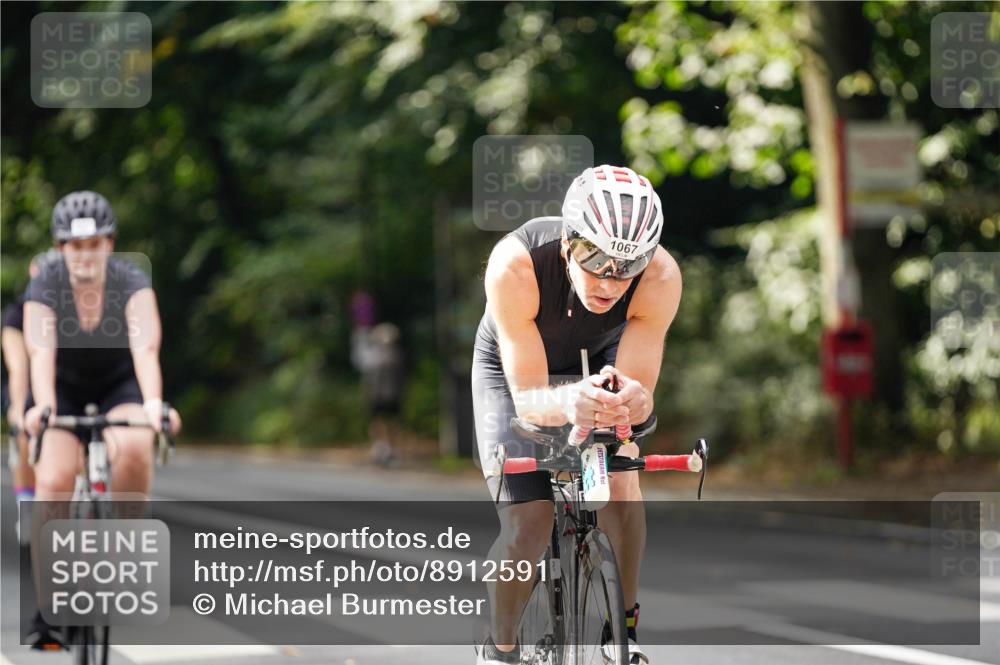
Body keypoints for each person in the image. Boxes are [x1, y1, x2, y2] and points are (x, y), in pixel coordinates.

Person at [472, 165, 682, 665]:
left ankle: (621, 631)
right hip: (515, 371)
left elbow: (642, 392)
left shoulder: (660, 278)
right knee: (529, 523)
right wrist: (568, 402)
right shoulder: (515, 267)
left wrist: (631, 403)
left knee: (621, 480)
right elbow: (528, 401)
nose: (610, 280)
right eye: (595, 258)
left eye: (626, 266)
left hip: (601, 356)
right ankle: (499, 649)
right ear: (569, 242)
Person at [21, 191, 180, 649]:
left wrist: (154, 404)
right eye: (74, 246)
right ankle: (50, 607)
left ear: (110, 245)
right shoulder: (45, 284)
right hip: (61, 386)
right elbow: (40, 351)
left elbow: (145, 346)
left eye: (94, 246)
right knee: (53, 479)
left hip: (119, 385)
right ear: (60, 247)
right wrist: (43, 408)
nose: (85, 255)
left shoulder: (131, 281)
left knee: (133, 446)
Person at [1, 250, 59, 537]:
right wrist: (18, 408)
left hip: (63, 383)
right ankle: (26, 500)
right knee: (25, 426)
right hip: (27, 384)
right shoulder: (16, 315)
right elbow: (19, 366)